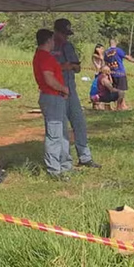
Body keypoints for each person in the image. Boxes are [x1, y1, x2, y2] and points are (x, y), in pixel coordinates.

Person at [51, 18, 100, 168]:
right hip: (55, 90)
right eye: (63, 33)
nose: (66, 37)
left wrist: (73, 66)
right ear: (56, 32)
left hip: (71, 89)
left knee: (79, 122)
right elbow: (45, 68)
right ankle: (65, 162)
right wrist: (63, 67)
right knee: (61, 128)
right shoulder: (48, 46)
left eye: (67, 34)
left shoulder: (69, 46)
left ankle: (85, 157)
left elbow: (77, 68)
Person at [33, 29, 72, 180]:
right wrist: (63, 88)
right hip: (52, 97)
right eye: (53, 40)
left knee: (61, 133)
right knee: (55, 135)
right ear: (49, 40)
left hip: (54, 97)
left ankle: (65, 165)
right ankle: (54, 170)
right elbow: (49, 79)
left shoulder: (42, 56)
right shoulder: (45, 57)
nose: (54, 43)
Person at [104, 38, 134, 111]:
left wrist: (108, 74)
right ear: (116, 43)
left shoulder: (106, 52)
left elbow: (106, 64)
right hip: (120, 73)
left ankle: (123, 105)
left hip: (112, 73)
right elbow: (127, 57)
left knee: (116, 91)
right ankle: (119, 107)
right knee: (121, 91)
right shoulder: (118, 50)